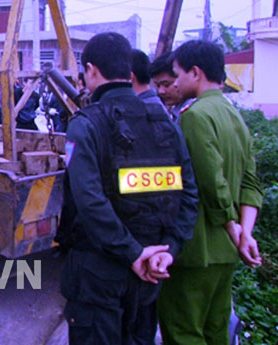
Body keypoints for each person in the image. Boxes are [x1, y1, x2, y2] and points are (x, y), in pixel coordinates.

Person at [59, 32, 199, 345]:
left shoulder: (85, 124)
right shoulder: (166, 123)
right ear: (129, 70)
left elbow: (89, 201)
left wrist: (132, 252)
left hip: (99, 275)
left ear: (92, 70)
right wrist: (169, 250)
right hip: (150, 272)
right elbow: (189, 193)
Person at [157, 40, 264, 345]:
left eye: (177, 75)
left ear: (196, 72)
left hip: (195, 250)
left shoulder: (195, 116)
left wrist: (233, 229)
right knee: (217, 332)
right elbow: (251, 183)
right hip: (227, 253)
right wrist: (245, 234)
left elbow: (210, 182)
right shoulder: (235, 116)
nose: (174, 83)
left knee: (183, 332)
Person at [150, 52, 193, 121]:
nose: (161, 91)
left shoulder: (191, 113)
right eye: (158, 86)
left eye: (166, 84)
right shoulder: (177, 110)